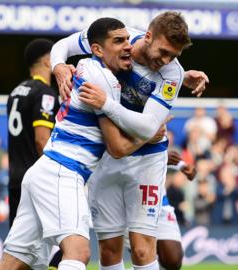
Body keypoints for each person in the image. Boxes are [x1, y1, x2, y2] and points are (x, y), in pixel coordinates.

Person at [0, 18, 166, 270]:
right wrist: (148, 135)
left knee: (14, 261)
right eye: (117, 41)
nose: (127, 46)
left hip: (42, 171)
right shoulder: (104, 82)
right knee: (78, 251)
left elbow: (135, 71)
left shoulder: (86, 66)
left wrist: (181, 78)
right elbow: (117, 148)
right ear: (97, 49)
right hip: (64, 171)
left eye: (127, 40)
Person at [51, 11, 206, 270]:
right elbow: (63, 45)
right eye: (163, 51)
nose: (166, 60)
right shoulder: (120, 39)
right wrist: (57, 65)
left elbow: (148, 127)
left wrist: (107, 104)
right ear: (147, 36)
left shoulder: (172, 74)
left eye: (174, 56)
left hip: (147, 159)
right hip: (107, 156)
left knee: (143, 248)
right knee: (109, 250)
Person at [6, 38, 60, 227]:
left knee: (17, 244)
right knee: (62, 238)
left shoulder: (15, 92)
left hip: (15, 176)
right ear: (48, 62)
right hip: (37, 178)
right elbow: (41, 139)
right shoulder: (45, 93)